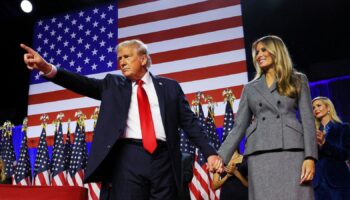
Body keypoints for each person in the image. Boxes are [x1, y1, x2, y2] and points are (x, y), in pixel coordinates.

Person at [20, 39, 223, 200]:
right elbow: (80, 83)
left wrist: (210, 153)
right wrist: (47, 68)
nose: (122, 62)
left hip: (165, 160)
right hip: (128, 159)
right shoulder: (112, 84)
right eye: (119, 58)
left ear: (143, 59)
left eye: (127, 56)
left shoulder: (169, 87)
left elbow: (190, 122)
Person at [217, 35, 318, 200]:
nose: (259, 55)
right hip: (260, 153)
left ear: (276, 51)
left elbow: (308, 121)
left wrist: (310, 157)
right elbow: (239, 127)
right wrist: (221, 157)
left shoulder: (298, 79)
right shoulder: (250, 88)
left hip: (292, 151)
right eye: (257, 52)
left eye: (264, 49)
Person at [312, 96, 350, 199]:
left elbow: (345, 154)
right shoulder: (312, 133)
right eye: (313, 108)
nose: (316, 109)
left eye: (319, 106)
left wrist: (325, 144)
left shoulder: (344, 128)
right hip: (318, 184)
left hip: (338, 182)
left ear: (328, 108)